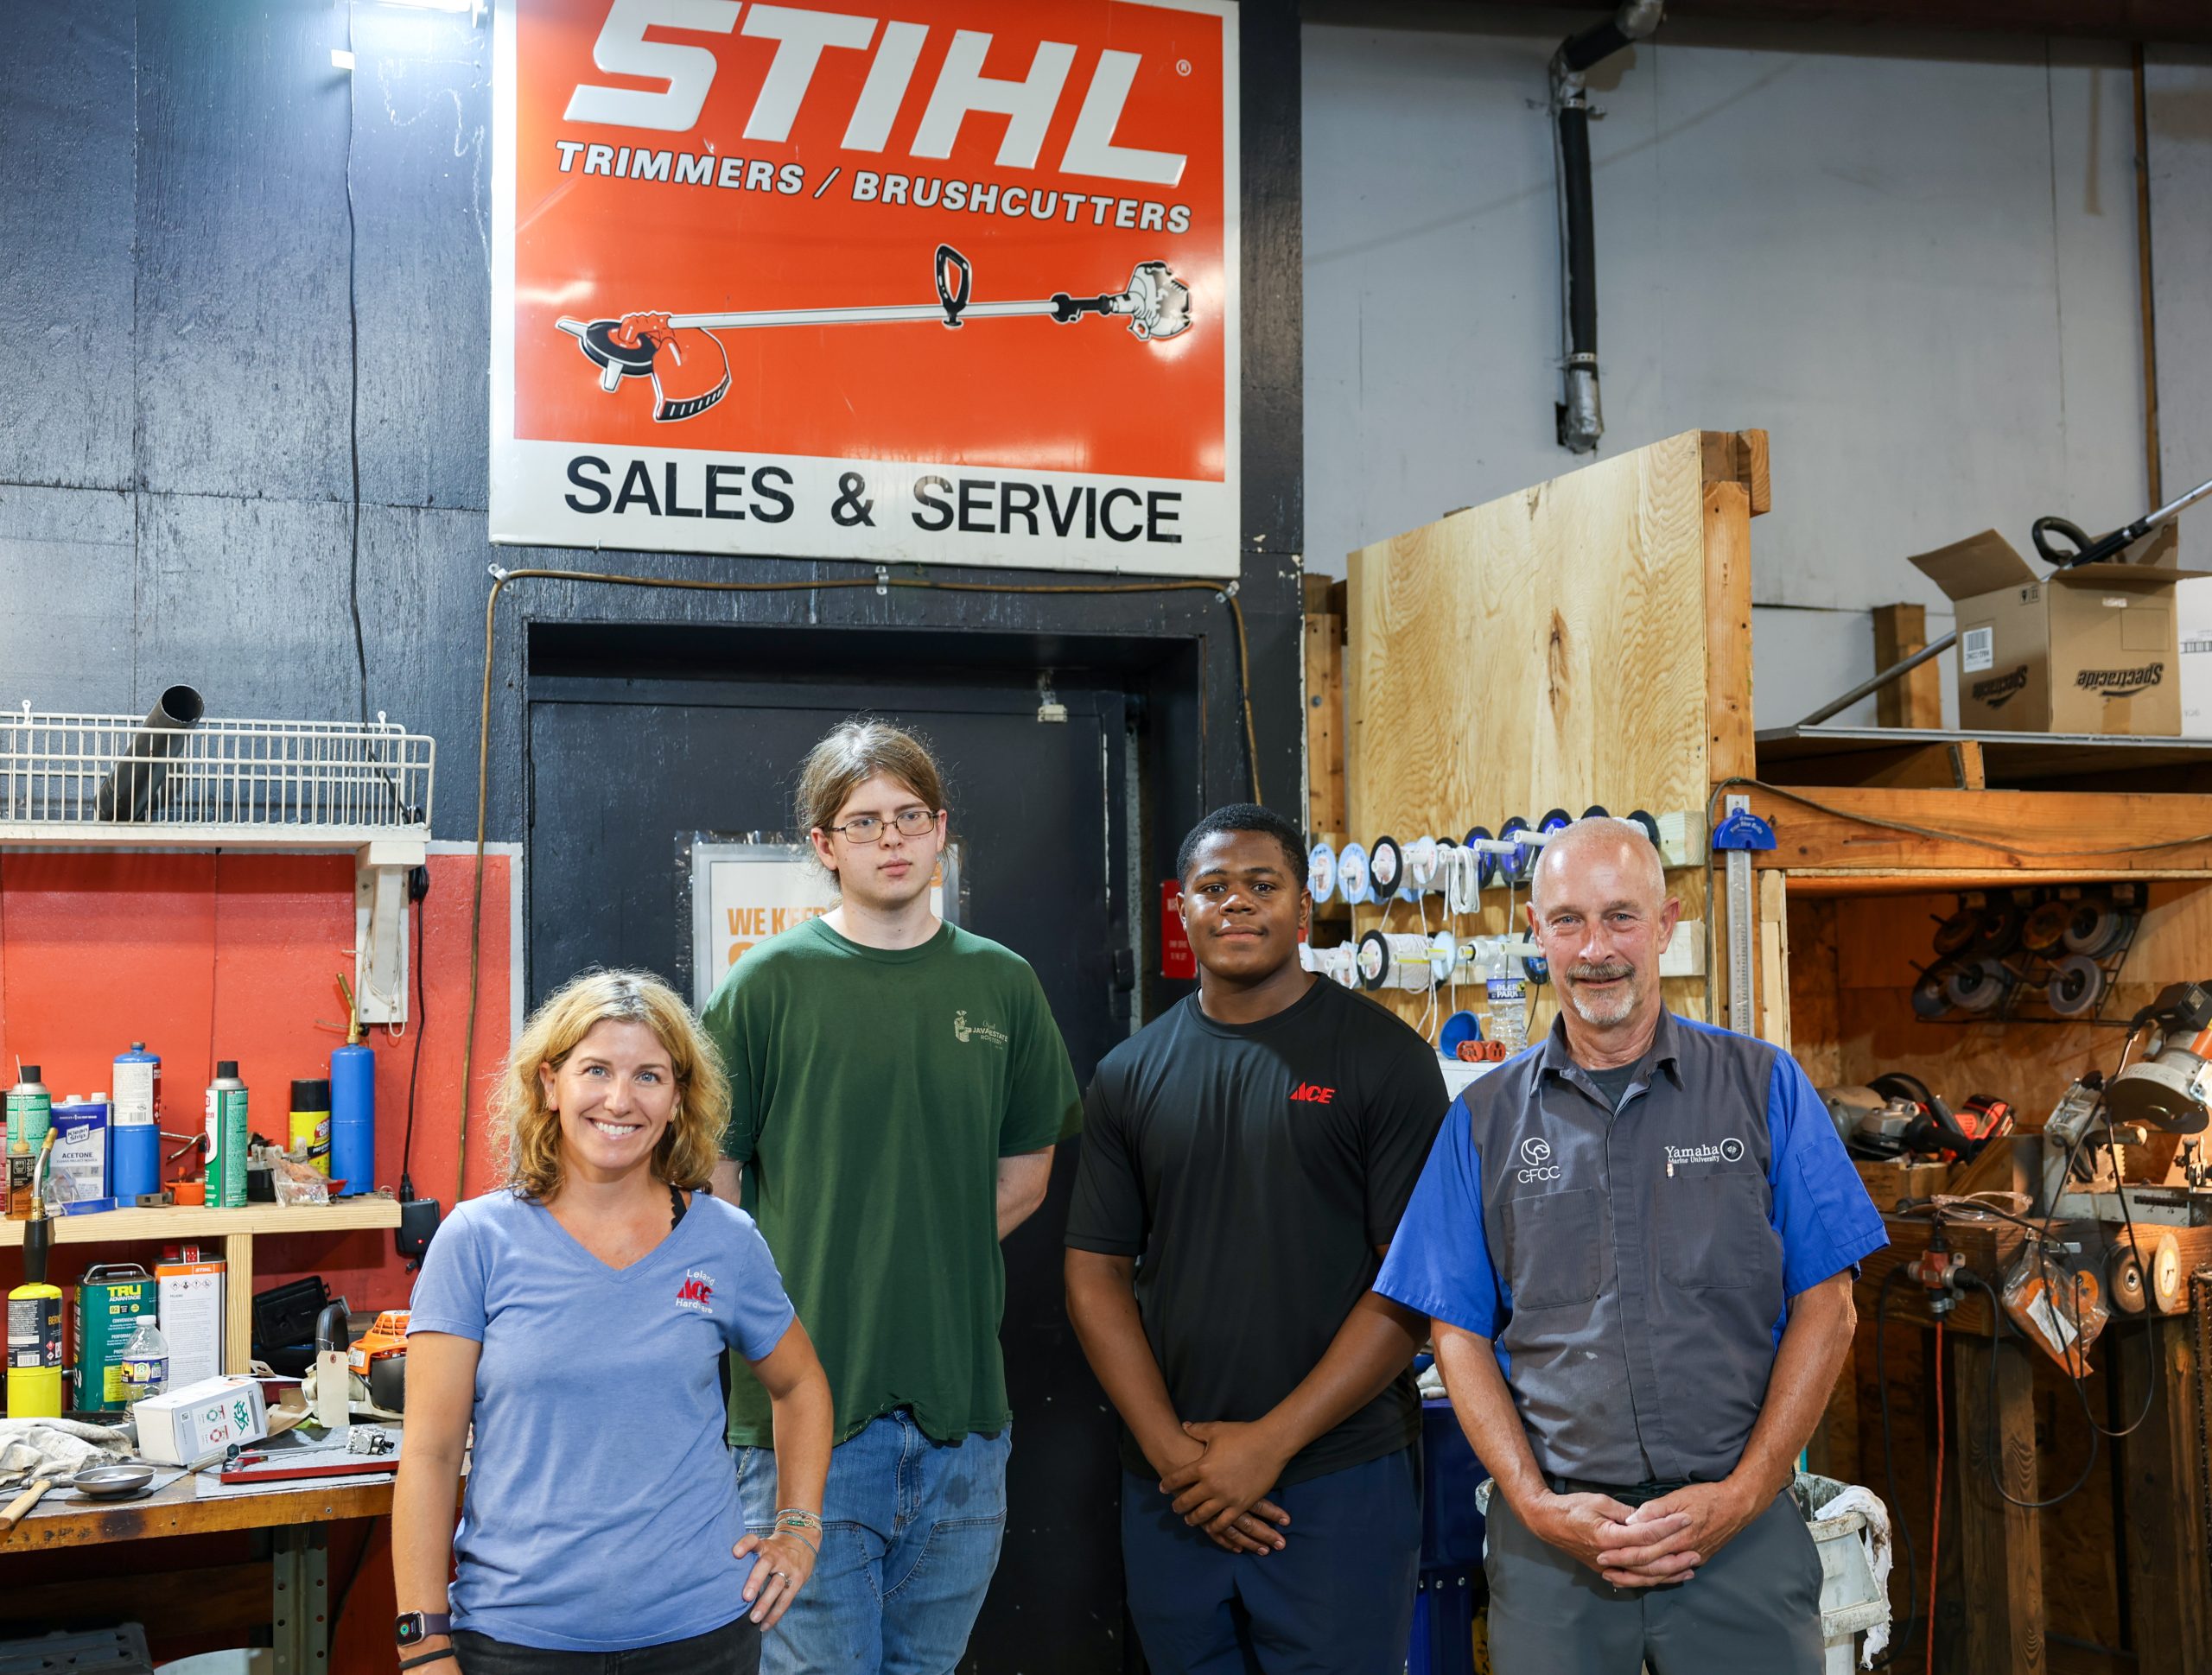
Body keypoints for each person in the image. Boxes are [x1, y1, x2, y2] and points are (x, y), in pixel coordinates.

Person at [1374, 817, 1886, 1674]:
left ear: (1665, 923)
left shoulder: (1761, 1088)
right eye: (1567, 919)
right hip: (1556, 1552)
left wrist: (1745, 1494)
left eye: (1620, 916)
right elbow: (1453, 1333)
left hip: (1741, 1534)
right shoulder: (1483, 1120)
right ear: (1535, 933)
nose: (1595, 947)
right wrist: (1536, 1507)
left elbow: (1827, 1307)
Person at [703, 719, 1083, 1675]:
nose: (891, 837)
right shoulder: (764, 987)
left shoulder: (1001, 985)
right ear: (823, 847)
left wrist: (921, 1245)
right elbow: (710, 1187)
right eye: (863, 820)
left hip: (963, 1427)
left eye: (910, 815)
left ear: (941, 830)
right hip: (803, 1425)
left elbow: (1025, 1178)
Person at [1065, 803, 1449, 1675]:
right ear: (1181, 910)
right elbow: (1094, 1276)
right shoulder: (1129, 1074)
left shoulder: (1383, 1060)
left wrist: (1268, 1445)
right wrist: (1177, 1458)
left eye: (1261, 884)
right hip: (1174, 1489)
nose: (1236, 903)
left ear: (1304, 906)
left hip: (1335, 1480)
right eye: (1213, 887)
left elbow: (1412, 1286)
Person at [392, 970, 833, 1673]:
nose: (620, 1099)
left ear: (678, 1097)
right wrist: (423, 1642)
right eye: (595, 1069)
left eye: (649, 1075)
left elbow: (802, 1385)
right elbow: (431, 1453)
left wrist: (799, 1529)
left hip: (702, 1637)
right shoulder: (475, 1240)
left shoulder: (725, 1238)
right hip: (518, 1642)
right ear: (549, 1083)